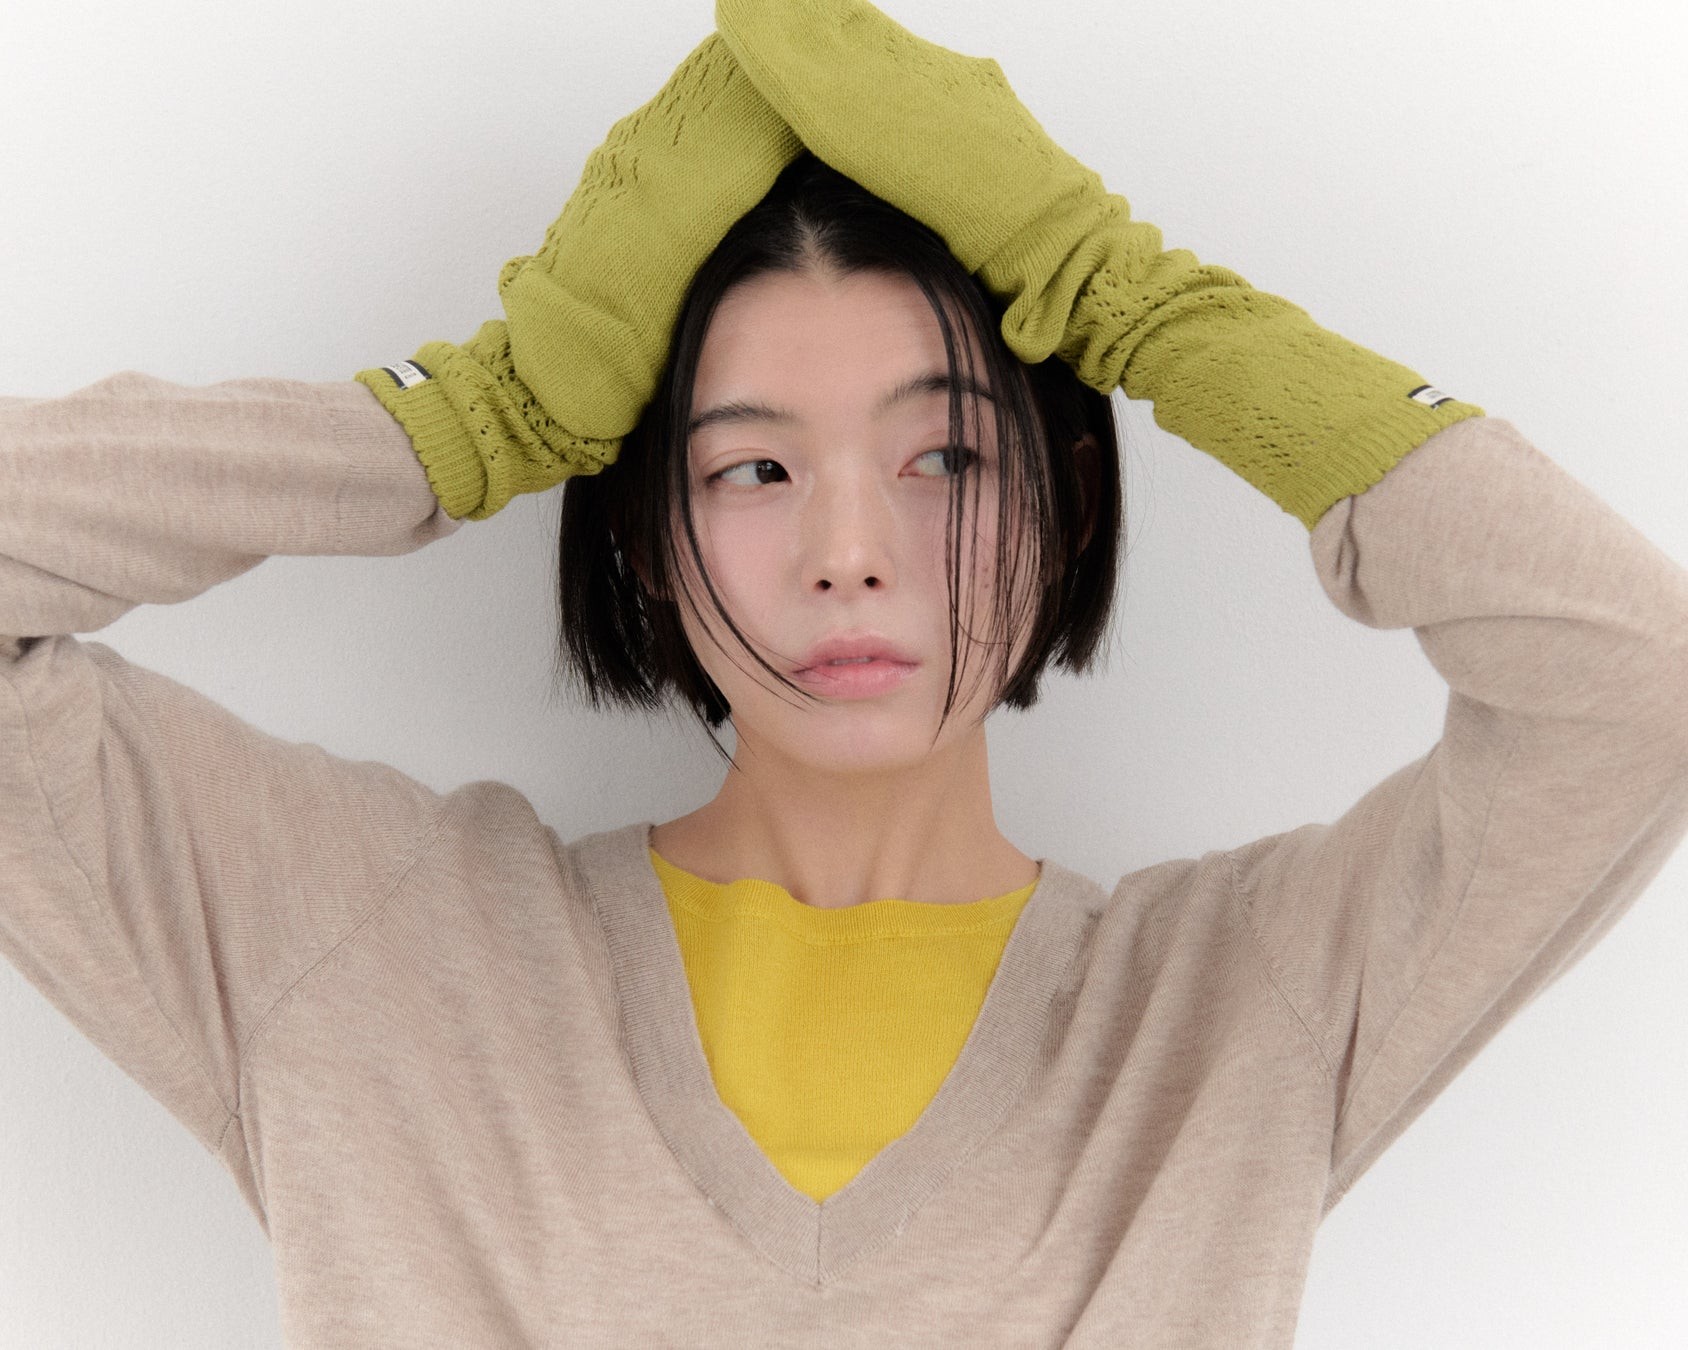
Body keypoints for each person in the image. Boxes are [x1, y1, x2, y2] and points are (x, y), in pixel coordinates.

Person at [3, 2, 1685, 1346]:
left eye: (944, 456)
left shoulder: (1234, 1010)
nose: (850, 551)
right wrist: (470, 420)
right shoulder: (373, 952)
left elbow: (1636, 680)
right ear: (647, 532)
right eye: (753, 467)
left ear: (1064, 494)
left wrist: (1127, 298)